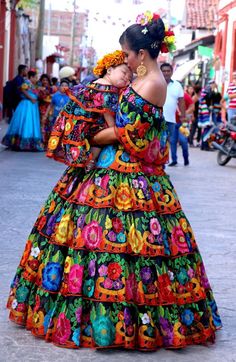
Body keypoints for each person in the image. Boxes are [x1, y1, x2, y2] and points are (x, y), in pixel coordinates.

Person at [6, 11, 221, 351]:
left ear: (142, 53)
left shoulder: (151, 83)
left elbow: (129, 135)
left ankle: (122, 321)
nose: (126, 59)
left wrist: (94, 136)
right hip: (109, 168)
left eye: (128, 53)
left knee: (126, 244)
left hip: (131, 175)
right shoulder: (139, 79)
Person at [47, 50, 132, 172]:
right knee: (101, 132)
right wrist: (114, 131)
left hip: (77, 125)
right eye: (123, 73)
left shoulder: (94, 84)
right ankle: (91, 161)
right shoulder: (106, 89)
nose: (126, 78)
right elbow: (107, 114)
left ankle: (88, 161)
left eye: (129, 78)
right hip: (88, 125)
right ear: (109, 70)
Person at [2, 70, 43, 151]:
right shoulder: (27, 82)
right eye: (35, 77)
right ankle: (22, 143)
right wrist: (31, 98)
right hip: (27, 105)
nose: (36, 79)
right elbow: (23, 90)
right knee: (26, 121)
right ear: (31, 77)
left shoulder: (33, 84)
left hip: (32, 105)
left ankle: (27, 143)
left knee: (29, 122)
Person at [160, 63, 187, 166]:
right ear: (160, 72)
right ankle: (159, 165)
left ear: (171, 72)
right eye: (164, 71)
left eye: (168, 71)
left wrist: (183, 117)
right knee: (158, 142)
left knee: (166, 143)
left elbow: (181, 102)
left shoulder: (177, 85)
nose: (166, 73)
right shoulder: (156, 83)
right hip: (157, 119)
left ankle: (161, 165)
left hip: (170, 120)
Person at [38, 73, 54, 147]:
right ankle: (42, 142)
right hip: (42, 108)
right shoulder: (38, 88)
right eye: (43, 80)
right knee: (42, 124)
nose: (45, 81)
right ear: (41, 81)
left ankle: (48, 143)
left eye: (46, 80)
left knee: (49, 125)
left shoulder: (52, 89)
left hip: (50, 108)